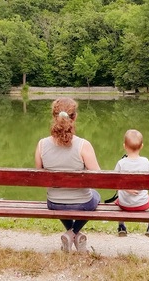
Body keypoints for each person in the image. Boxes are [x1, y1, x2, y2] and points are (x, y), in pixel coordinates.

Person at [35, 97, 101, 253]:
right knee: (95, 195)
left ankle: (71, 234)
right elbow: (99, 176)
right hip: (82, 203)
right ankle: (73, 233)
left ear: (54, 116)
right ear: (75, 116)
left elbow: (39, 176)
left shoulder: (42, 144)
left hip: (54, 202)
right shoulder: (83, 145)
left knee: (61, 198)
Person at [113, 129, 149, 239]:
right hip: (142, 204)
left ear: (124, 146)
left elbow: (113, 180)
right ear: (141, 146)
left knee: (118, 200)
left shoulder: (121, 163)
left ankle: (121, 227)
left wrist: (126, 189)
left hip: (124, 204)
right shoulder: (145, 161)